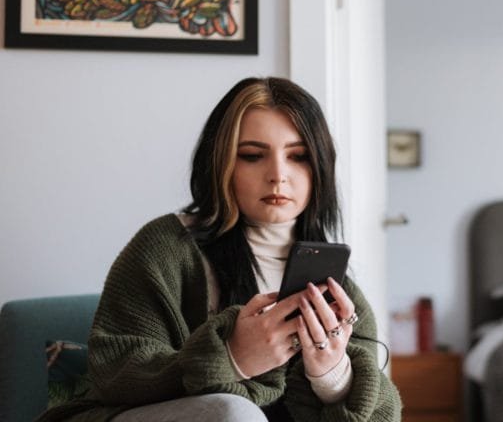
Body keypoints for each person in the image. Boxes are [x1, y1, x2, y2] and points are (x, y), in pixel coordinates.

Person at [38, 77, 402, 421]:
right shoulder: (166, 246)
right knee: (233, 414)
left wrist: (332, 378)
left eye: (298, 156)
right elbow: (114, 374)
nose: (278, 174)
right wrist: (232, 358)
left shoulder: (335, 286)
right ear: (221, 162)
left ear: (319, 167)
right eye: (252, 155)